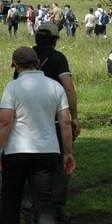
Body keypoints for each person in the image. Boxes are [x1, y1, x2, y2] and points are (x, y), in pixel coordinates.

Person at [0, 46, 76, 224]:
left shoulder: (12, 87)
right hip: (47, 151)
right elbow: (65, 122)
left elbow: (5, 122)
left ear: (16, 65)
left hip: (16, 151)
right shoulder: (56, 86)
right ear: (38, 64)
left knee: (11, 201)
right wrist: (68, 153)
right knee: (44, 202)